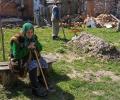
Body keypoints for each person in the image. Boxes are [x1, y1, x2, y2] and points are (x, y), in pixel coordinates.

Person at [10, 22, 54, 97]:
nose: (30, 34)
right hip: (20, 60)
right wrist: (28, 48)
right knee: (33, 65)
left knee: (43, 63)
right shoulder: (17, 40)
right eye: (28, 32)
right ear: (24, 32)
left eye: (32, 32)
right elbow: (16, 55)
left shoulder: (33, 37)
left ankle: (42, 81)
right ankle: (35, 89)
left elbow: (40, 48)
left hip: (31, 56)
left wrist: (35, 44)